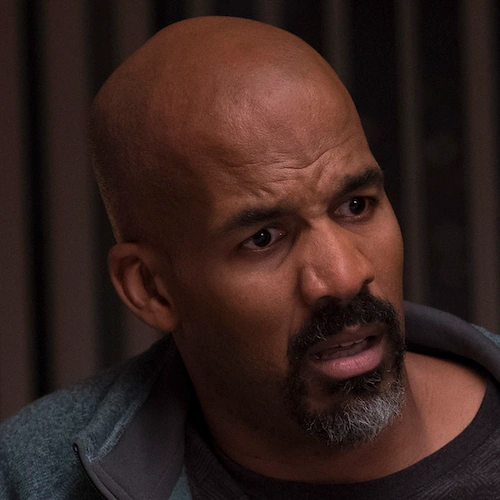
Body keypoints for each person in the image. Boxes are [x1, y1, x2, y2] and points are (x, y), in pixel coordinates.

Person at [1, 16, 500, 499]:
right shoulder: (28, 476)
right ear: (152, 288)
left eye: (355, 206)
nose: (345, 276)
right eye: (263, 238)